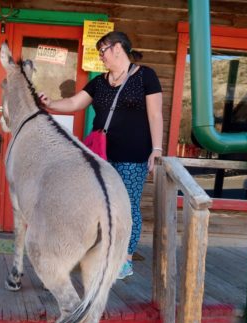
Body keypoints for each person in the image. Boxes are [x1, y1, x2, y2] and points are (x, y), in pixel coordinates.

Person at [39, 31, 163, 279]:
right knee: (96, 205)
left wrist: (157, 149)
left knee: (126, 206)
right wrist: (50, 103)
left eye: (102, 50)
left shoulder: (146, 76)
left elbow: (155, 115)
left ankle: (125, 260)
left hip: (132, 155)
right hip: (100, 155)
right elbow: (75, 103)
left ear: (118, 48)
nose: (101, 56)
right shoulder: (99, 82)